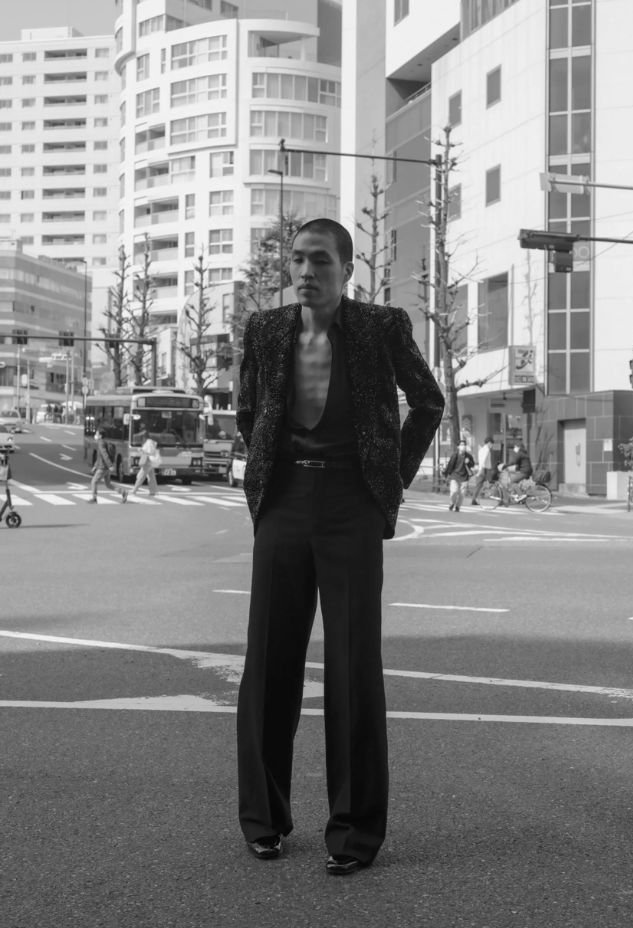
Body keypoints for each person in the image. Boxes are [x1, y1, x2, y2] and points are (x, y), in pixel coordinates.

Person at [236, 217, 444, 875]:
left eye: (319, 260)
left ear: (346, 270)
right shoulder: (265, 331)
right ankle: (264, 819)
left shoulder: (381, 328)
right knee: (268, 662)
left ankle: (354, 833)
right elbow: (249, 410)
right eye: (296, 259)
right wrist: (267, 467)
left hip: (352, 508)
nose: (304, 272)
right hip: (284, 506)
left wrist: (388, 479)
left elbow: (429, 401)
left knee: (354, 668)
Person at [88, 429, 127, 503]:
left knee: (94, 481)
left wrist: (110, 465)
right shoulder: (103, 442)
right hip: (105, 467)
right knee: (108, 484)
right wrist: (95, 466)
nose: (95, 435)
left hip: (103, 467)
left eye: (97, 434)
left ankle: (94, 498)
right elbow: (100, 457)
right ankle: (123, 492)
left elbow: (104, 454)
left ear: (100, 435)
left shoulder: (101, 443)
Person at [443, 439, 476, 511]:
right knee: (454, 491)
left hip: (464, 477)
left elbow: (473, 464)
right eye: (461, 445)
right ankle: (452, 503)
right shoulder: (455, 455)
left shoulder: (468, 456)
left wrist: (469, 462)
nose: (463, 446)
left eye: (464, 445)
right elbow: (450, 465)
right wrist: (446, 475)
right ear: (458, 446)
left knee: (462, 494)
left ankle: (458, 506)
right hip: (455, 476)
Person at [131, 430, 159, 497]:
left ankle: (134, 490)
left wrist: (142, 451)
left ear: (144, 437)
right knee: (151, 477)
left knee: (141, 476)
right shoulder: (149, 442)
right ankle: (153, 491)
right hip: (150, 461)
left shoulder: (149, 442)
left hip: (148, 461)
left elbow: (150, 453)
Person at [471, 436, 496, 505]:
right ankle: (496, 496)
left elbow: (480, 460)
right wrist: (480, 470)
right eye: (491, 444)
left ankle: (474, 500)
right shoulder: (486, 450)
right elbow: (483, 460)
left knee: (479, 485)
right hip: (485, 470)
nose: (492, 445)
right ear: (488, 443)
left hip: (482, 469)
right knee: (493, 482)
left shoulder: (481, 449)